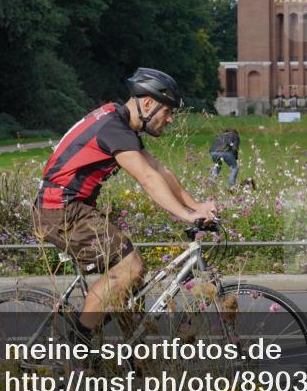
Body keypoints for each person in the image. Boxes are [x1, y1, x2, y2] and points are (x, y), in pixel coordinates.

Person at [30, 68, 218, 344]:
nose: (170, 119)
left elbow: (159, 169)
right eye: (168, 111)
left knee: (130, 290)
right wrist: (189, 217)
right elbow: (148, 178)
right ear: (148, 104)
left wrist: (196, 205)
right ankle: (77, 347)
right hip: (60, 210)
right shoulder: (113, 129)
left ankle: (131, 360)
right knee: (129, 267)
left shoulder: (117, 121)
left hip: (71, 207)